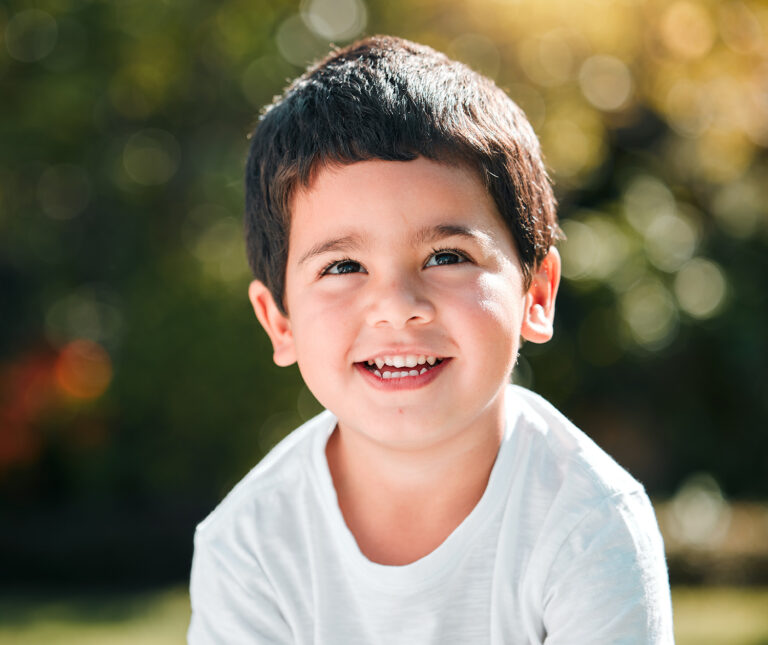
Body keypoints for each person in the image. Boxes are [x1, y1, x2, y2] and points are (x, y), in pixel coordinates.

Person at [187, 35, 673, 644]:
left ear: (538, 295)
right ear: (279, 322)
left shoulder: (590, 526)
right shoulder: (249, 544)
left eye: (446, 256)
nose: (397, 307)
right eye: (342, 267)